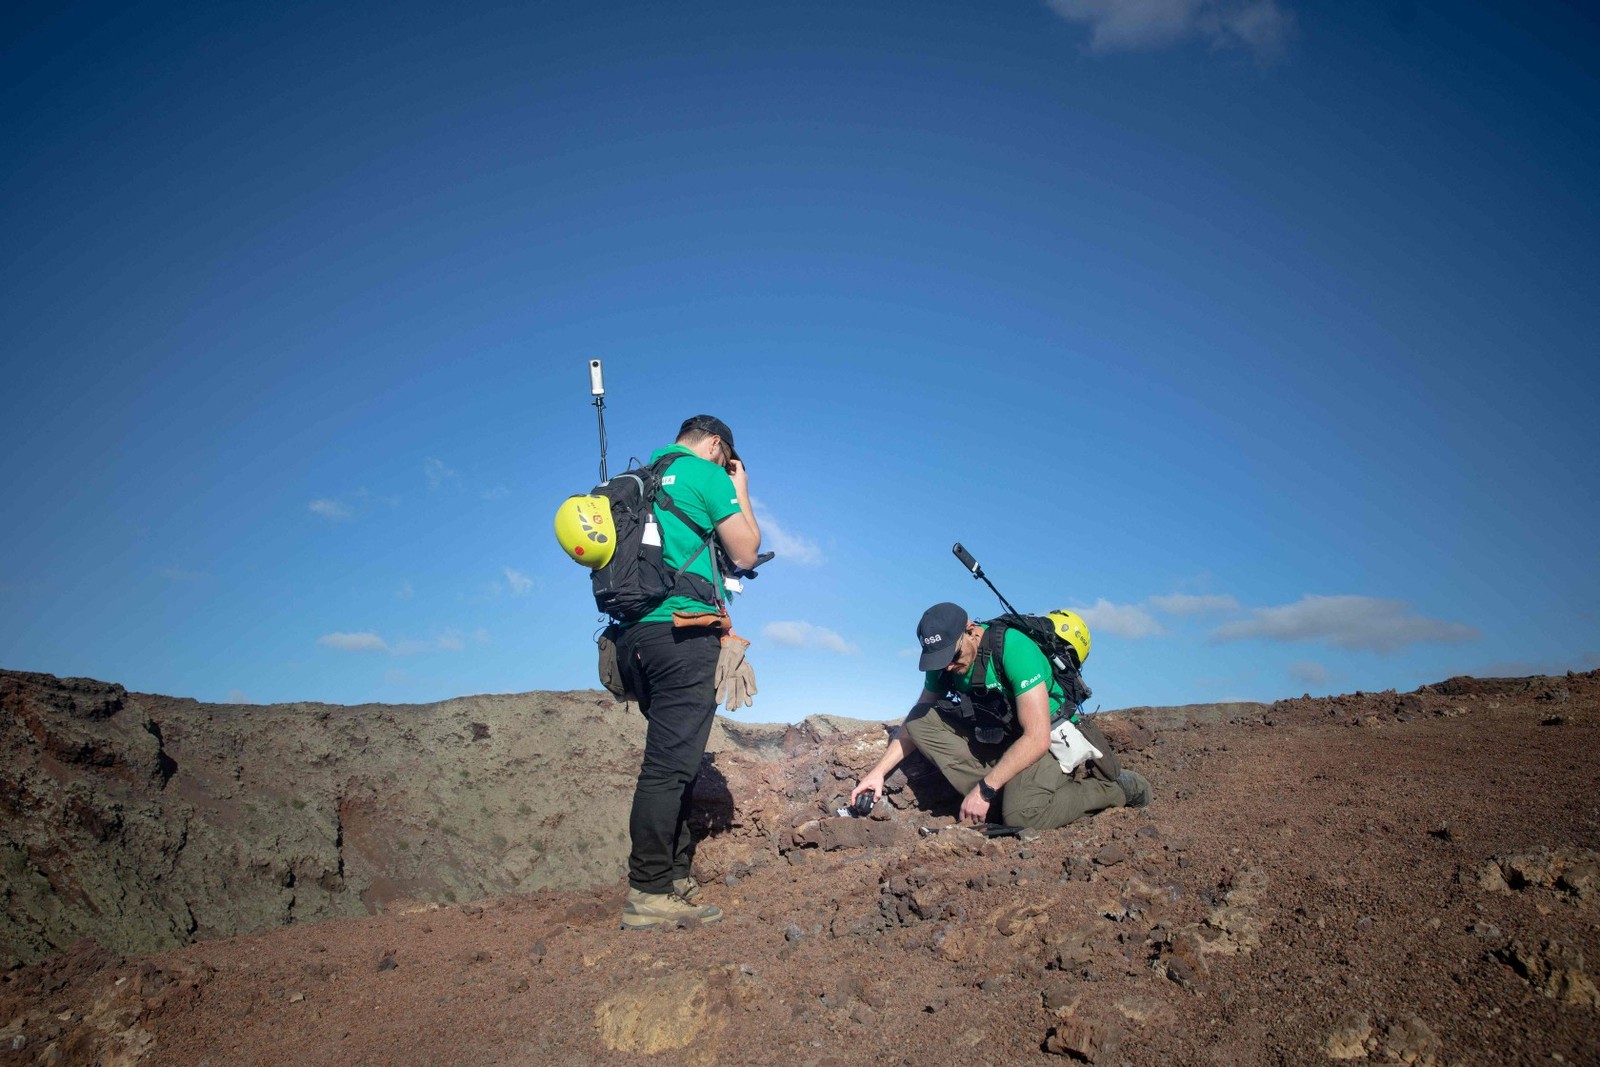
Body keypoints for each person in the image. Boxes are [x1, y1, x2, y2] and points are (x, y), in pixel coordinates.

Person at [614, 415, 762, 930]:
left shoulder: (642, 477)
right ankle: (648, 891)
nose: (727, 466)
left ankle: (672, 876)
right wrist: (739, 487)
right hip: (682, 632)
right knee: (668, 767)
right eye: (728, 457)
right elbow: (744, 552)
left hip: (634, 640)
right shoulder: (707, 474)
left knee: (673, 760)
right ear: (716, 444)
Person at [850, 602, 1151, 830]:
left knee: (1021, 815)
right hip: (1001, 736)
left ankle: (1113, 789)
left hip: (1046, 740)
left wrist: (984, 789)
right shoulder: (945, 662)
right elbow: (917, 720)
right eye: (937, 661)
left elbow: (1037, 737)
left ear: (970, 630)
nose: (946, 668)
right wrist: (877, 774)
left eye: (952, 657)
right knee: (919, 718)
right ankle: (1001, 795)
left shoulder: (1013, 647)